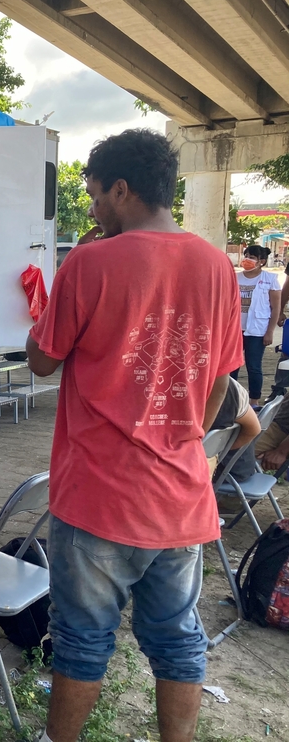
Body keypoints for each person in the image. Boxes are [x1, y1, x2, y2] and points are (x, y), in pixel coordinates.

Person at [26, 129, 242, 742]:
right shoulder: (217, 265)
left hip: (98, 496)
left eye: (94, 196)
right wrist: (182, 440)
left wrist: (68, 280)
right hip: (180, 498)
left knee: (81, 642)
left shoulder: (89, 262)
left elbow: (41, 361)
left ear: (121, 189)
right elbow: (222, 380)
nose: (91, 210)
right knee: (178, 640)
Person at [232, 245, 279, 407]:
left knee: (253, 366)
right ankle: (231, 400)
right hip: (235, 330)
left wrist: (270, 332)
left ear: (262, 261)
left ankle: (254, 401)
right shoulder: (235, 278)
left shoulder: (270, 279)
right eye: (246, 255)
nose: (247, 259)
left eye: (252, 257)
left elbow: (276, 308)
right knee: (232, 366)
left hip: (257, 330)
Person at [206, 377, 261, 483]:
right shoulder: (232, 386)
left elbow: (254, 429)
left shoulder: (226, 388)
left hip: (229, 470)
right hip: (236, 466)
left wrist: (219, 451)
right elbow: (255, 428)